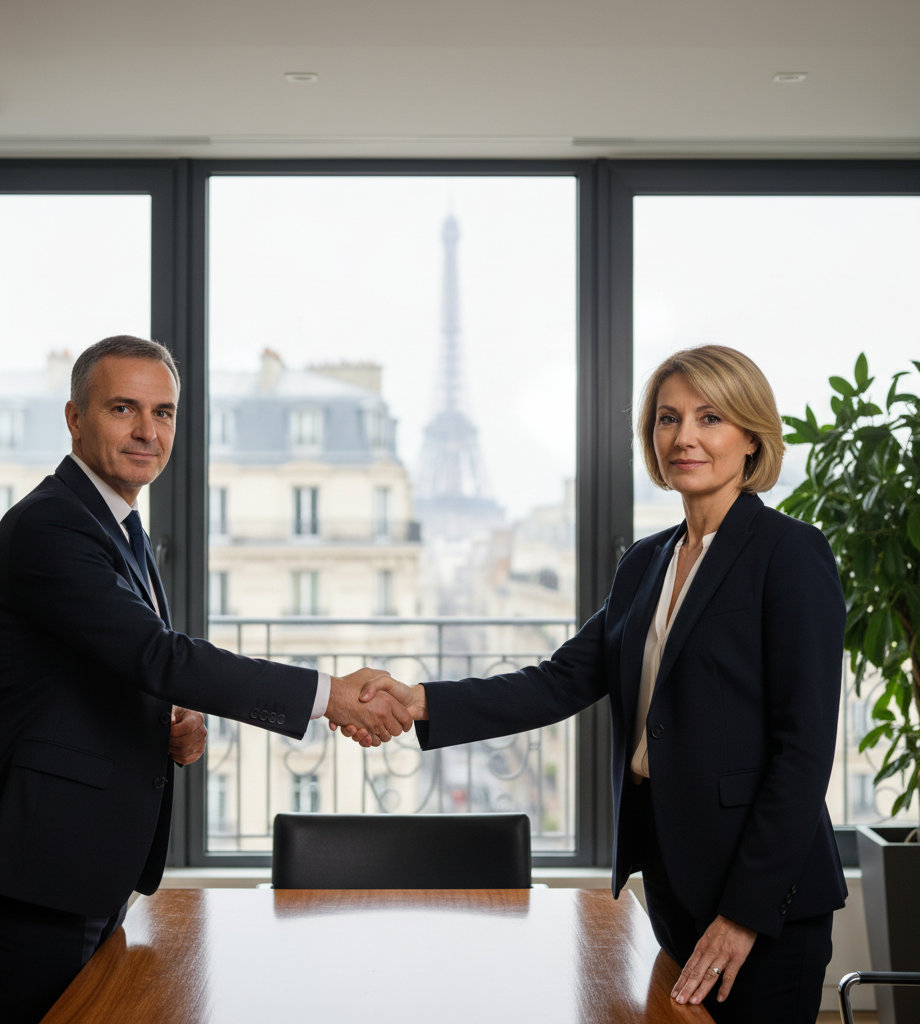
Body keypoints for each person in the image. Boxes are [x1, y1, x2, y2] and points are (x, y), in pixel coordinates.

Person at [353, 345, 848, 1024]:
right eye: (668, 418)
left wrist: (744, 913)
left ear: (752, 437)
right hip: (673, 876)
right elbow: (559, 681)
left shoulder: (789, 553)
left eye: (710, 418)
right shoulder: (646, 562)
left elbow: (803, 752)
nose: (685, 437)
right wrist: (421, 702)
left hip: (761, 895)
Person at [0, 335, 410, 1024]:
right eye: (123, 408)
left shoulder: (117, 525)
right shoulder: (51, 525)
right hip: (31, 863)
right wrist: (329, 695)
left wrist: (166, 720)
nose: (147, 431)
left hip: (81, 859)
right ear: (74, 418)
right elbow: (159, 655)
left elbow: (115, 667)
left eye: (163, 413)